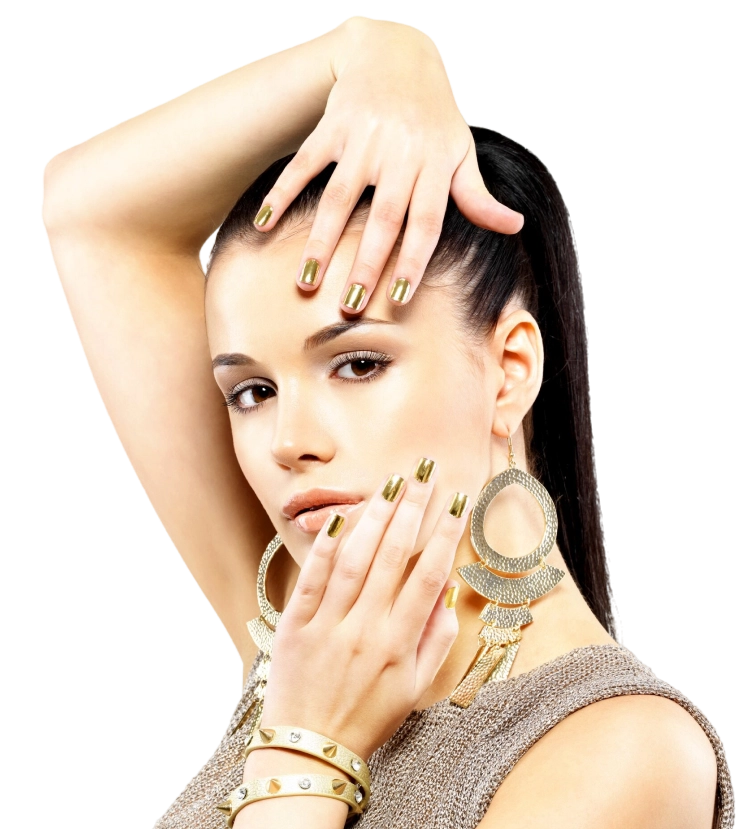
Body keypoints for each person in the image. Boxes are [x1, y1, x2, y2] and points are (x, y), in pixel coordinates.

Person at [40, 14, 734, 829]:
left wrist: (308, 748)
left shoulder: (624, 753)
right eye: (252, 391)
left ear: (511, 369)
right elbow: (89, 213)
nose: (289, 441)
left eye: (359, 363)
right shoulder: (309, 638)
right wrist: (372, 54)